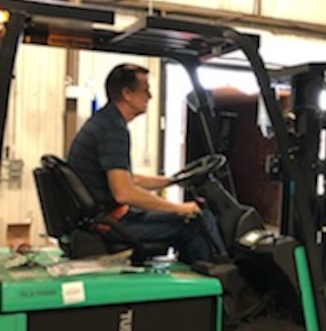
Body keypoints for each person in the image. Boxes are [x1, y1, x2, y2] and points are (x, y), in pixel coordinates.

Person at [68, 63, 226, 264]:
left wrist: (170, 181)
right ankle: (222, 282)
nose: (150, 96)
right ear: (127, 93)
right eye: (145, 90)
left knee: (191, 216)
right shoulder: (112, 129)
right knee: (198, 220)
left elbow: (126, 179)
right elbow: (124, 192)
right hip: (109, 223)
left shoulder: (105, 122)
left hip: (105, 218)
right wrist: (177, 208)